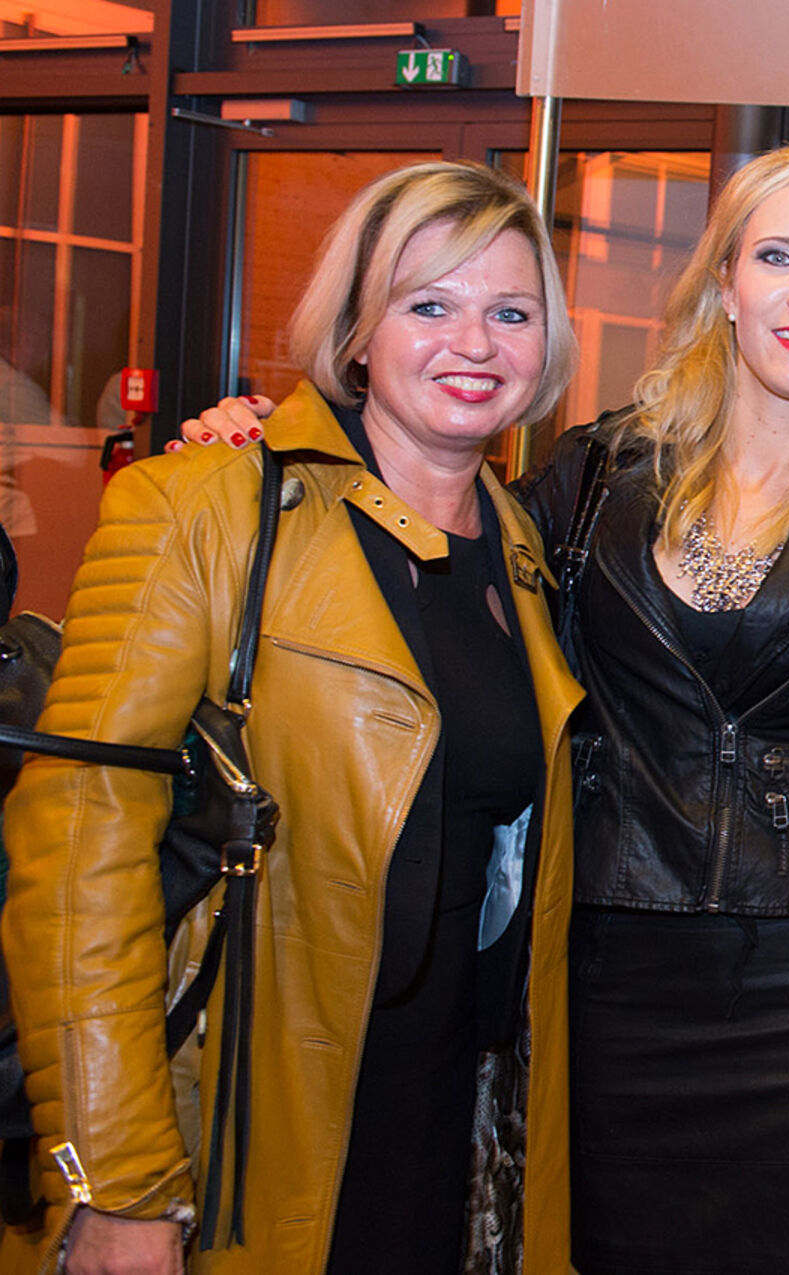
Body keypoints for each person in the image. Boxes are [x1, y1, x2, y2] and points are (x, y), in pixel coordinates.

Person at [178, 143, 789, 1275]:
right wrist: (284, 453)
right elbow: (419, 549)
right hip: (603, 976)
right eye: (779, 257)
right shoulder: (595, 471)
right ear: (725, 284)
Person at [1, 160, 584, 1275]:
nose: (475, 343)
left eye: (511, 313)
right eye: (429, 305)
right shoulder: (202, 505)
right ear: (358, 331)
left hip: (451, 1131)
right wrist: (117, 1177)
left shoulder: (521, 546)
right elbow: (75, 847)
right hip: (246, 1123)